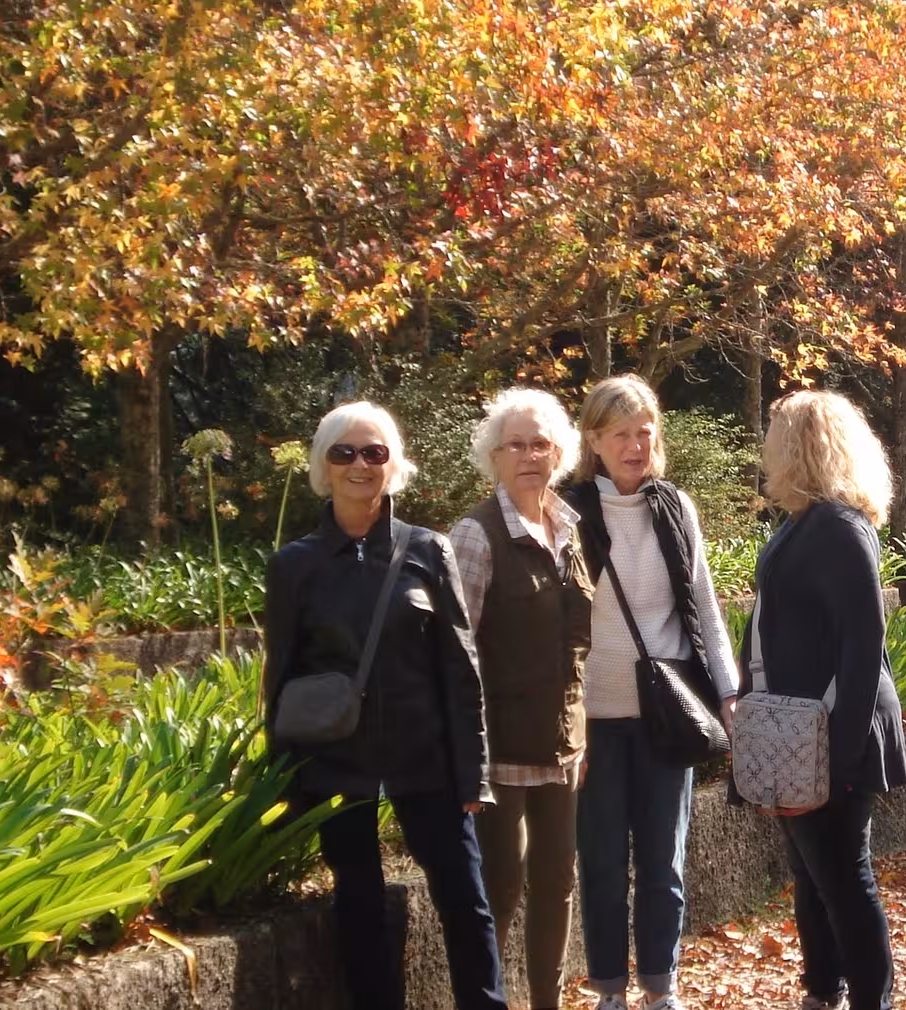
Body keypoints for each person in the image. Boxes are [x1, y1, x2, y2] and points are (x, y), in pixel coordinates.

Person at [261, 401, 507, 1010]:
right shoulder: (294, 566)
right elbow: (281, 676)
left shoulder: (428, 550)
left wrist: (472, 770)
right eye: (344, 452)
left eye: (375, 452)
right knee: (359, 902)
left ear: (394, 464)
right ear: (322, 465)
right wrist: (284, 779)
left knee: (464, 898)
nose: (360, 465)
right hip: (335, 760)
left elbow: (461, 669)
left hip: (424, 757)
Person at [566, 375, 739, 1010]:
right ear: (594, 441)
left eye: (645, 431)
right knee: (603, 865)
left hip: (667, 716)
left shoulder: (675, 508)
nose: (637, 445)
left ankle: (660, 988)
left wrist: (729, 694)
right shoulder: (568, 512)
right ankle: (610, 989)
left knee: (664, 864)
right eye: (621, 434)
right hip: (593, 719)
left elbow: (703, 608)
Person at [749, 390, 906, 1010]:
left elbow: (863, 644)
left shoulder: (838, 528)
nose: (766, 447)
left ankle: (870, 999)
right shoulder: (806, 521)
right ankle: (823, 990)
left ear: (799, 446)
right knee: (812, 875)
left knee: (844, 876)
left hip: (832, 730)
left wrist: (840, 755)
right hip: (800, 731)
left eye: (775, 434)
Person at [448, 388, 593, 1010]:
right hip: (498, 747)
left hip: (562, 745)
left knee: (558, 881)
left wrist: (577, 731)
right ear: (494, 457)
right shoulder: (474, 537)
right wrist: (467, 756)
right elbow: (455, 654)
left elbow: (576, 644)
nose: (530, 455)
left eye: (541, 443)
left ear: (558, 452)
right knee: (500, 886)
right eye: (516, 444)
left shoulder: (568, 525)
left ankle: (547, 1003)